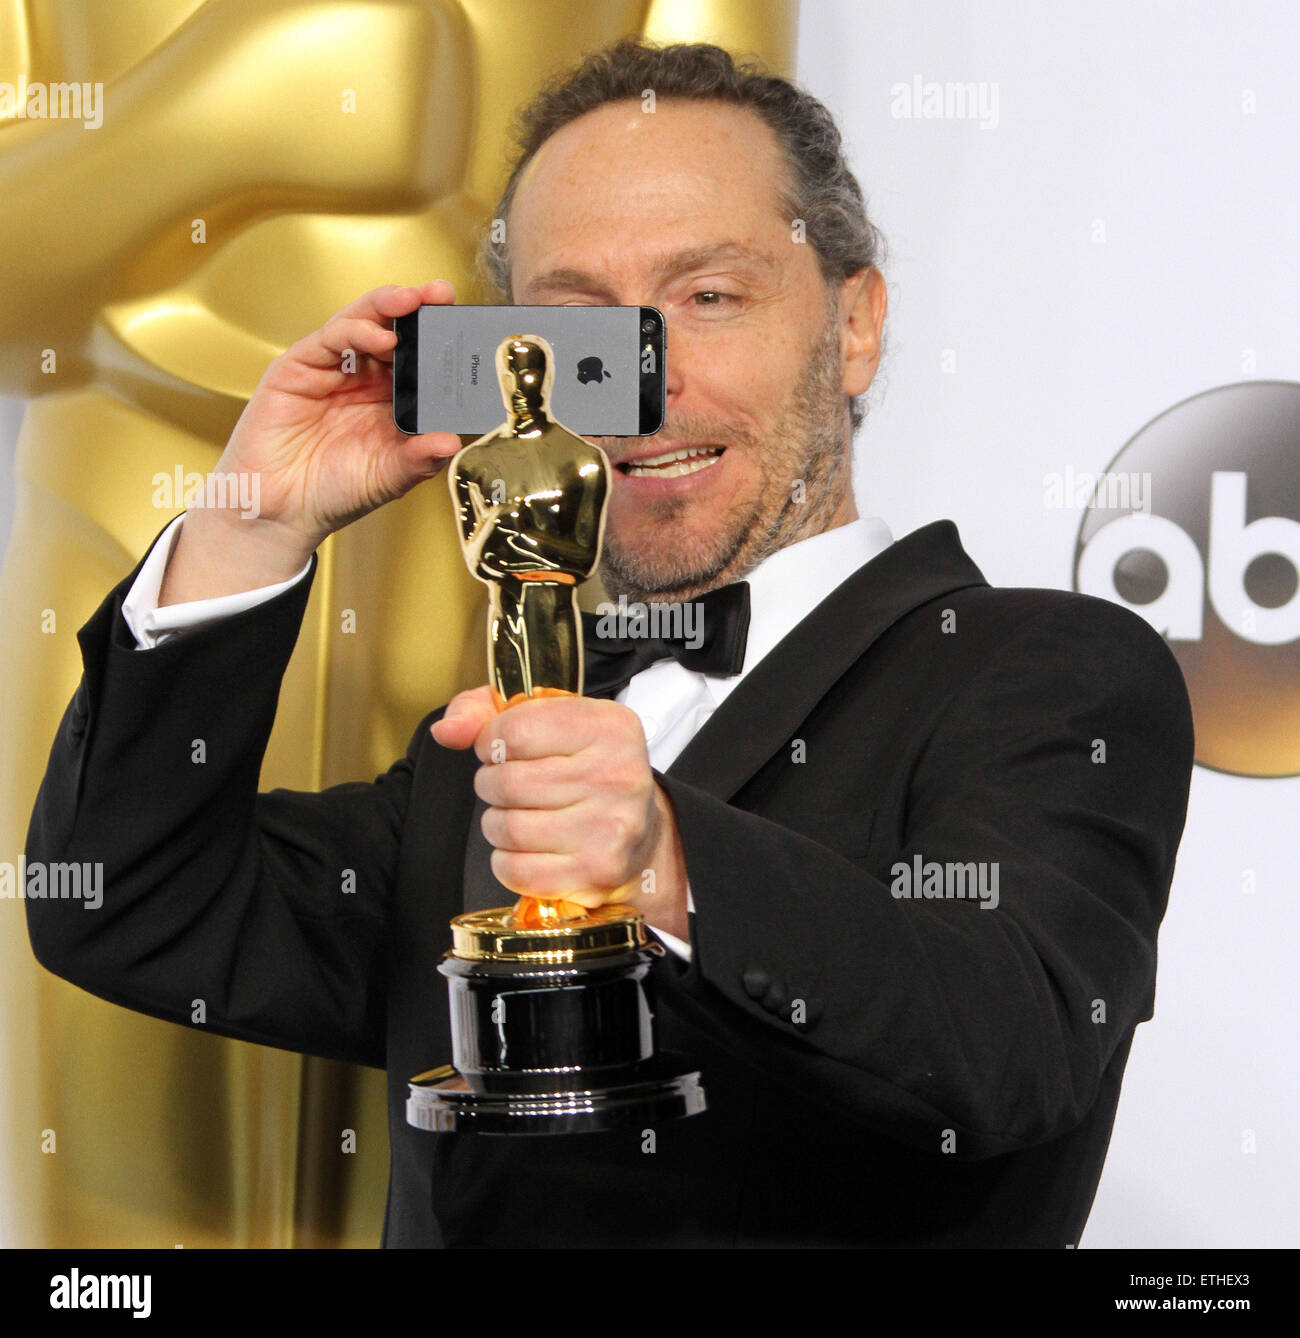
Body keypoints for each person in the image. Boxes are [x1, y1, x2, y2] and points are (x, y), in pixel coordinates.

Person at [24, 40, 1194, 1248]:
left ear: (853, 324)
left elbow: (1011, 1043)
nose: (650, 383)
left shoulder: (1047, 671)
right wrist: (252, 524)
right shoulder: (481, 745)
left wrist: (664, 857)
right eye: (583, 329)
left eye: (709, 297)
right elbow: (122, 902)